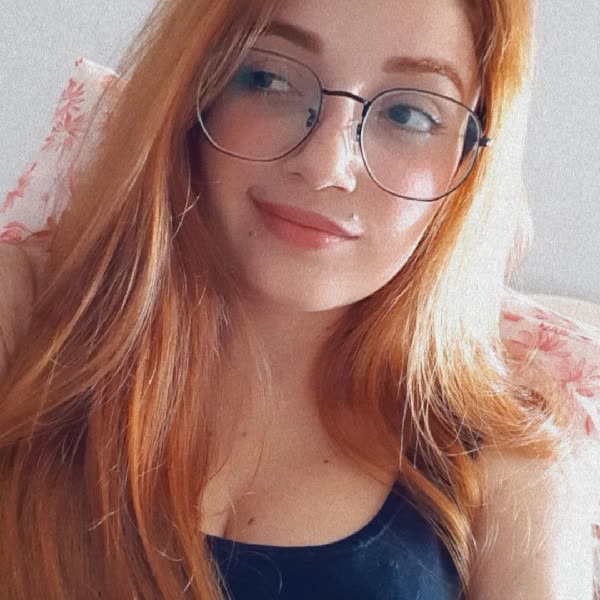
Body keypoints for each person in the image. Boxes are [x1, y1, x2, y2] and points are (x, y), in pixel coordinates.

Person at [0, 0, 599, 598]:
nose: (325, 165)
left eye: (410, 114)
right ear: (193, 89)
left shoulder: (513, 458)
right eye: (270, 79)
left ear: (470, 160)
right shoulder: (24, 311)